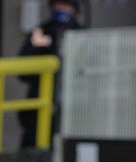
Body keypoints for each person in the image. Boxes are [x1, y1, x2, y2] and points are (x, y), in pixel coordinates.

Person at [17, 0, 84, 148]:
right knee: (33, 142)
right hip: (41, 99)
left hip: (75, 103)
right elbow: (22, 66)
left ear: (74, 10)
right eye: (57, 5)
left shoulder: (82, 36)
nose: (61, 9)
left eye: (66, 5)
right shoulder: (41, 31)